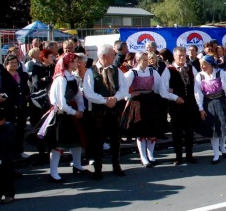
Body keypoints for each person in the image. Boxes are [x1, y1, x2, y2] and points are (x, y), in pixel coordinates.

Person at [83, 44, 129, 179]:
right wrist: (104, 101)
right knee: (98, 140)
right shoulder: (91, 71)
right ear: (104, 56)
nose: (114, 57)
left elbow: (124, 88)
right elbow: (88, 92)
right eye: (112, 55)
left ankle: (116, 165)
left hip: (114, 111)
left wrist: (115, 98)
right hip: (98, 112)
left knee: (115, 139)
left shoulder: (116, 70)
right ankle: (98, 168)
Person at [122, 52, 172, 168]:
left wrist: (170, 96)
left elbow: (159, 87)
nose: (146, 62)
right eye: (143, 59)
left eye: (147, 59)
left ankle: (151, 155)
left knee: (152, 130)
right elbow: (123, 88)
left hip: (150, 101)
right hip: (138, 103)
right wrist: (130, 94)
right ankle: (143, 157)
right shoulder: (132, 73)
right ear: (138, 60)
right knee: (141, 131)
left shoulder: (152, 71)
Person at [45, 53, 88, 182]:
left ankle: (77, 165)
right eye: (75, 61)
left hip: (73, 112)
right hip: (62, 114)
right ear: (69, 63)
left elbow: (77, 95)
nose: (78, 64)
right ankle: (53, 173)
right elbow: (60, 102)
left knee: (77, 141)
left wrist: (80, 109)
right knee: (58, 144)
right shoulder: (61, 78)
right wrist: (74, 112)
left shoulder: (71, 78)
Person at [194, 55, 226, 164]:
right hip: (208, 104)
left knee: (223, 127)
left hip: (221, 102)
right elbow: (198, 93)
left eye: (205, 64)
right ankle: (216, 154)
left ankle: (223, 147)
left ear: (211, 64)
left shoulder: (220, 73)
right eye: (201, 65)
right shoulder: (200, 76)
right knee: (214, 130)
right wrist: (200, 108)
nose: (202, 67)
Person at [162, 47, 199, 165]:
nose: (182, 57)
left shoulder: (191, 68)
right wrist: (175, 98)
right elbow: (163, 91)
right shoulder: (168, 70)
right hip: (176, 107)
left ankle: (189, 155)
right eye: (179, 55)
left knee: (189, 132)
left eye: (183, 55)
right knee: (177, 133)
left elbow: (198, 85)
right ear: (174, 56)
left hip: (190, 105)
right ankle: (178, 156)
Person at [3, 54, 30, 159]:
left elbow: (25, 89)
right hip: (9, 107)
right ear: (6, 64)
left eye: (15, 62)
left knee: (20, 130)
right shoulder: (4, 76)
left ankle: (19, 150)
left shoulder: (21, 75)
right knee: (10, 131)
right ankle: (11, 152)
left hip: (21, 106)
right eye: (11, 63)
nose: (14, 64)